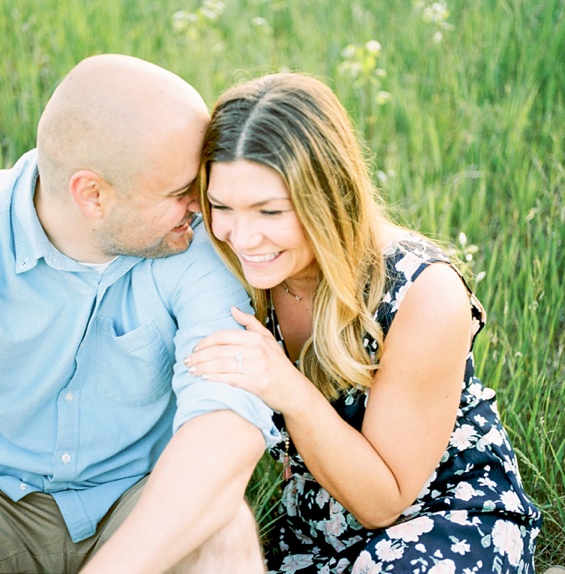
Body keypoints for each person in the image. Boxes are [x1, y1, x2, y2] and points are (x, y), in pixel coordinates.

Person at [0, 54, 280, 573]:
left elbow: (225, 425)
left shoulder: (192, 243)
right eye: (180, 192)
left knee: (223, 536)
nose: (204, 207)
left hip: (136, 501)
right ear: (93, 194)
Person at [185, 72, 542, 573]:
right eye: (221, 206)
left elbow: (385, 501)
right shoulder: (229, 263)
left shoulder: (423, 291)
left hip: (443, 516)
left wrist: (288, 387)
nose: (241, 237)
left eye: (269, 211)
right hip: (319, 523)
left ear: (328, 198)